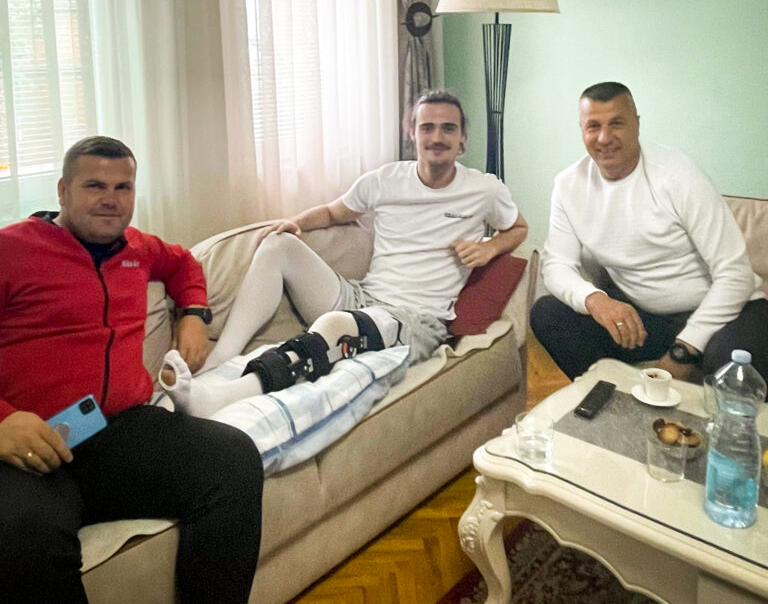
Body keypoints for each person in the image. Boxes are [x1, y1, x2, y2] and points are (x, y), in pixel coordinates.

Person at [0, 137, 264, 604]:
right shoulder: (12, 249)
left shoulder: (137, 249)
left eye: (123, 187)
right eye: (94, 185)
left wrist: (195, 315)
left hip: (118, 431)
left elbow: (183, 264)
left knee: (232, 460)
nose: (111, 199)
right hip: (30, 448)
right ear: (62, 190)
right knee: (24, 541)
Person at [159, 91, 528, 417]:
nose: (436, 137)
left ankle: (223, 397)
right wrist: (295, 222)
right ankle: (222, 358)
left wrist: (489, 247)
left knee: (336, 326)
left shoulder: (484, 190)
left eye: (448, 128)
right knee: (278, 245)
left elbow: (518, 228)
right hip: (362, 299)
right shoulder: (384, 180)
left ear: (462, 139)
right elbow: (333, 212)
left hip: (418, 321)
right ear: (412, 133)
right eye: (427, 127)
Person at [531, 82, 768, 385]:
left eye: (616, 123)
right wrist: (595, 299)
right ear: (581, 129)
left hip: (729, 311)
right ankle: (614, 398)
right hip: (649, 318)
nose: (604, 137)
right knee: (548, 314)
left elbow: (736, 273)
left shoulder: (677, 174)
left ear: (637, 124)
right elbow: (556, 265)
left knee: (733, 362)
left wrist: (684, 350)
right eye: (594, 126)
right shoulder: (568, 185)